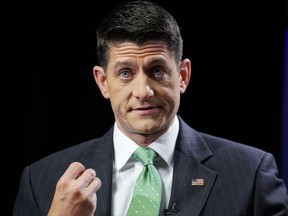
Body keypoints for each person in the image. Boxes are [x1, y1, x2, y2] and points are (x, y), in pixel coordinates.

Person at [14, 0, 288, 215]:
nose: (143, 91)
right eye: (125, 73)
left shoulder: (251, 173)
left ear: (182, 76)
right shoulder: (41, 181)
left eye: (157, 71)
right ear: (102, 82)